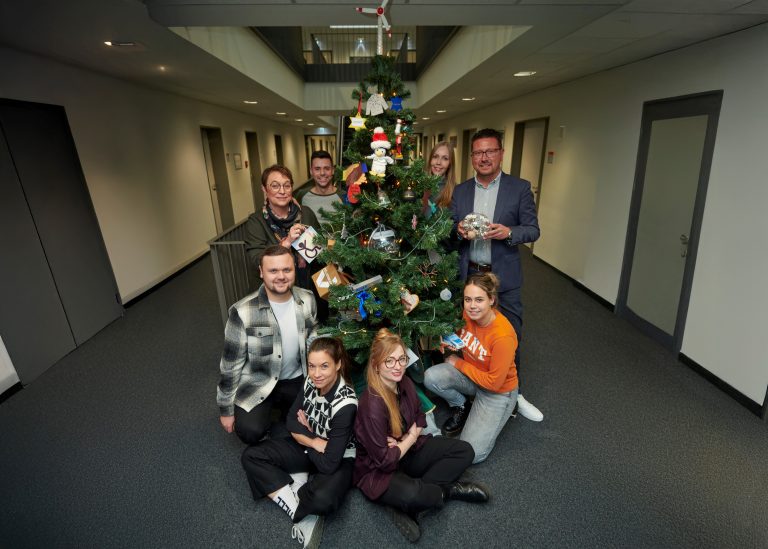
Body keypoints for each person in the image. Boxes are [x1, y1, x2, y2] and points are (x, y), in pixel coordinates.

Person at [353, 329, 489, 543]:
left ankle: (413, 499)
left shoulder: (404, 382)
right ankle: (447, 491)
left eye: (401, 359)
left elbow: (419, 416)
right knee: (417, 495)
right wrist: (410, 436)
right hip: (378, 471)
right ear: (376, 364)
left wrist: (407, 438)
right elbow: (385, 461)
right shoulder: (371, 405)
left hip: (406, 452)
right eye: (389, 361)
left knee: (464, 451)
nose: (398, 366)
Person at [450, 128, 544, 422]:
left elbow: (533, 230)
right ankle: (473, 391)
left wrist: (509, 232)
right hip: (471, 275)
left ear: (501, 153)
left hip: (503, 277)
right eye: (478, 152)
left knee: (510, 334)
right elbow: (450, 230)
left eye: (490, 151)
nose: (484, 157)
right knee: (470, 334)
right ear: (472, 157)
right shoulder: (462, 190)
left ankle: (514, 395)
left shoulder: (519, 188)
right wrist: (457, 231)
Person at [241, 337, 357, 548]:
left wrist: (305, 434)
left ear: (338, 364)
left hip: (339, 457)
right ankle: (297, 511)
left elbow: (329, 464)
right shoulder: (310, 382)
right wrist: (313, 440)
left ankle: (298, 481)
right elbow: (291, 420)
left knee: (323, 499)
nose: (316, 373)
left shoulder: (346, 404)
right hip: (312, 445)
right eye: (312, 366)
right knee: (251, 456)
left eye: (324, 366)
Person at [217, 245, 318, 445]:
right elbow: (230, 366)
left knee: (316, 423)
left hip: (297, 378)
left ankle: (283, 419)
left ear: (294, 270)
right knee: (249, 431)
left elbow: (313, 336)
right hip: (259, 381)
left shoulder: (307, 299)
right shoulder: (242, 312)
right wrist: (226, 410)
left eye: (287, 270)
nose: (281, 276)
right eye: (273, 271)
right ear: (261, 272)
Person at [424, 273, 518, 463]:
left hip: (497, 392)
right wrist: (447, 340)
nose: (472, 305)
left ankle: (508, 406)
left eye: (479, 300)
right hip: (473, 378)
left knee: (471, 453)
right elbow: (460, 335)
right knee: (431, 377)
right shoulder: (468, 315)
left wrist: (458, 363)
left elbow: (493, 383)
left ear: (492, 300)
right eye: (468, 299)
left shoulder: (503, 336)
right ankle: (463, 404)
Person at [245, 165, 320, 294]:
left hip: (308, 286)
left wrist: (315, 244)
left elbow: (321, 249)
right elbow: (257, 261)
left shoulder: (306, 213)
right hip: (273, 292)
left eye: (287, 185)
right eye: (275, 186)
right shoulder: (256, 221)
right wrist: (287, 243)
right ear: (264, 189)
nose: (282, 191)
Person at [293, 151, 344, 226]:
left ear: (333, 170)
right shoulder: (302, 195)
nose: (322, 173)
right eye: (317, 169)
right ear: (311, 171)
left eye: (327, 168)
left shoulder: (343, 196)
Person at [423, 141, 457, 217]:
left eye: (445, 158)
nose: (438, 162)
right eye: (435, 157)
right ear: (430, 159)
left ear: (450, 164)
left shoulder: (455, 191)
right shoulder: (419, 185)